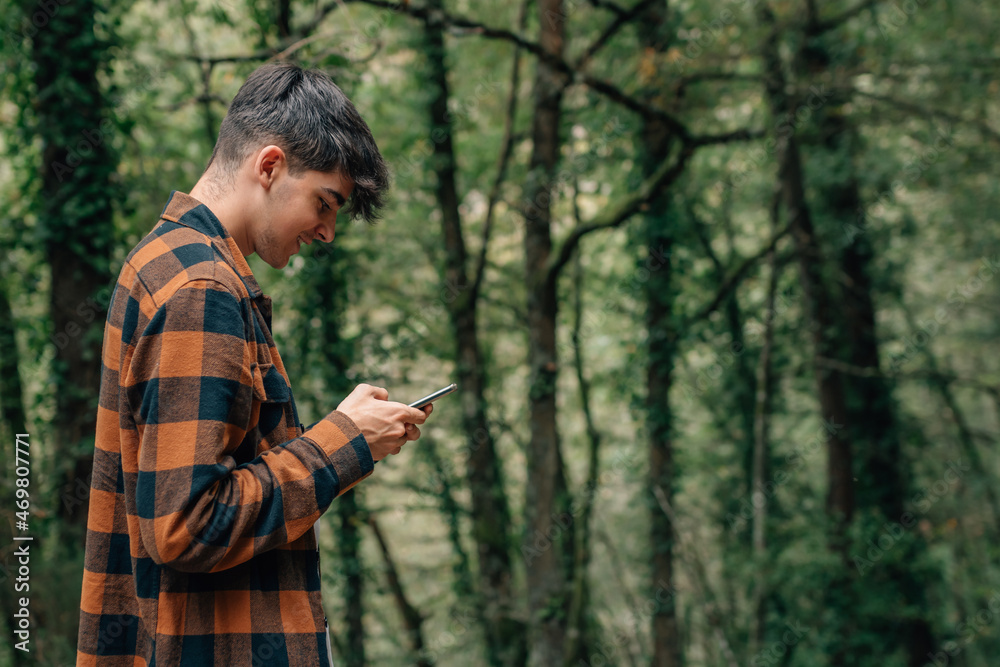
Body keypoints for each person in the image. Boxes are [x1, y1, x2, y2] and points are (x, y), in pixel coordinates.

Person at [76, 62, 430, 666]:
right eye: (325, 202)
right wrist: (343, 444)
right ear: (268, 166)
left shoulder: (161, 259)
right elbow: (185, 524)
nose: (327, 232)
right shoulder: (202, 288)